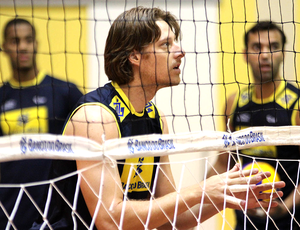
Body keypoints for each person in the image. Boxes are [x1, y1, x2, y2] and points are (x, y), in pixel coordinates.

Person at [31, 8, 285, 230]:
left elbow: (174, 219)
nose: (180, 52)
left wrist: (227, 197)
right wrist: (203, 190)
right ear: (135, 56)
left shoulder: (155, 118)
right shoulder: (96, 117)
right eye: (166, 44)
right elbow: (109, 220)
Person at [208, 21, 300, 230]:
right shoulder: (234, 103)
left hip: (290, 219)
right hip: (246, 219)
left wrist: (284, 207)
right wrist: (200, 191)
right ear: (245, 54)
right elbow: (225, 162)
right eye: (257, 47)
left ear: (283, 53)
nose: (265, 54)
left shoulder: (296, 104)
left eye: (273, 46)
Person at [0, 18, 83, 229]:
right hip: (9, 209)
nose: (23, 46)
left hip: (55, 210)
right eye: (15, 41)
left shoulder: (64, 92)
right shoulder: (1, 97)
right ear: (5, 47)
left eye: (29, 40)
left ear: (36, 44)